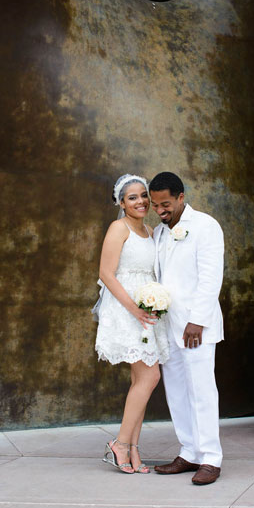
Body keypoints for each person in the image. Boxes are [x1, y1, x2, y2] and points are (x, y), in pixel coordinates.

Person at [149, 172, 225, 486]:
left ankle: (210, 457)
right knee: (177, 392)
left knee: (202, 391)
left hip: (196, 328)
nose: (160, 210)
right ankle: (189, 451)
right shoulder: (158, 233)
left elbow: (210, 277)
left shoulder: (205, 226)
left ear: (181, 197)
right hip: (167, 327)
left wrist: (198, 320)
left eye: (165, 203)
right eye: (155, 205)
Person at [94, 173, 169, 474]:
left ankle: (134, 452)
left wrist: (151, 305)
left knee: (142, 381)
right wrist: (135, 310)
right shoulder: (118, 228)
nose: (140, 201)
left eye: (143, 196)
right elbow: (107, 273)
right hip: (126, 309)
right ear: (121, 203)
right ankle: (120, 443)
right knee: (150, 378)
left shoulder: (150, 230)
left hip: (145, 311)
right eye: (132, 197)